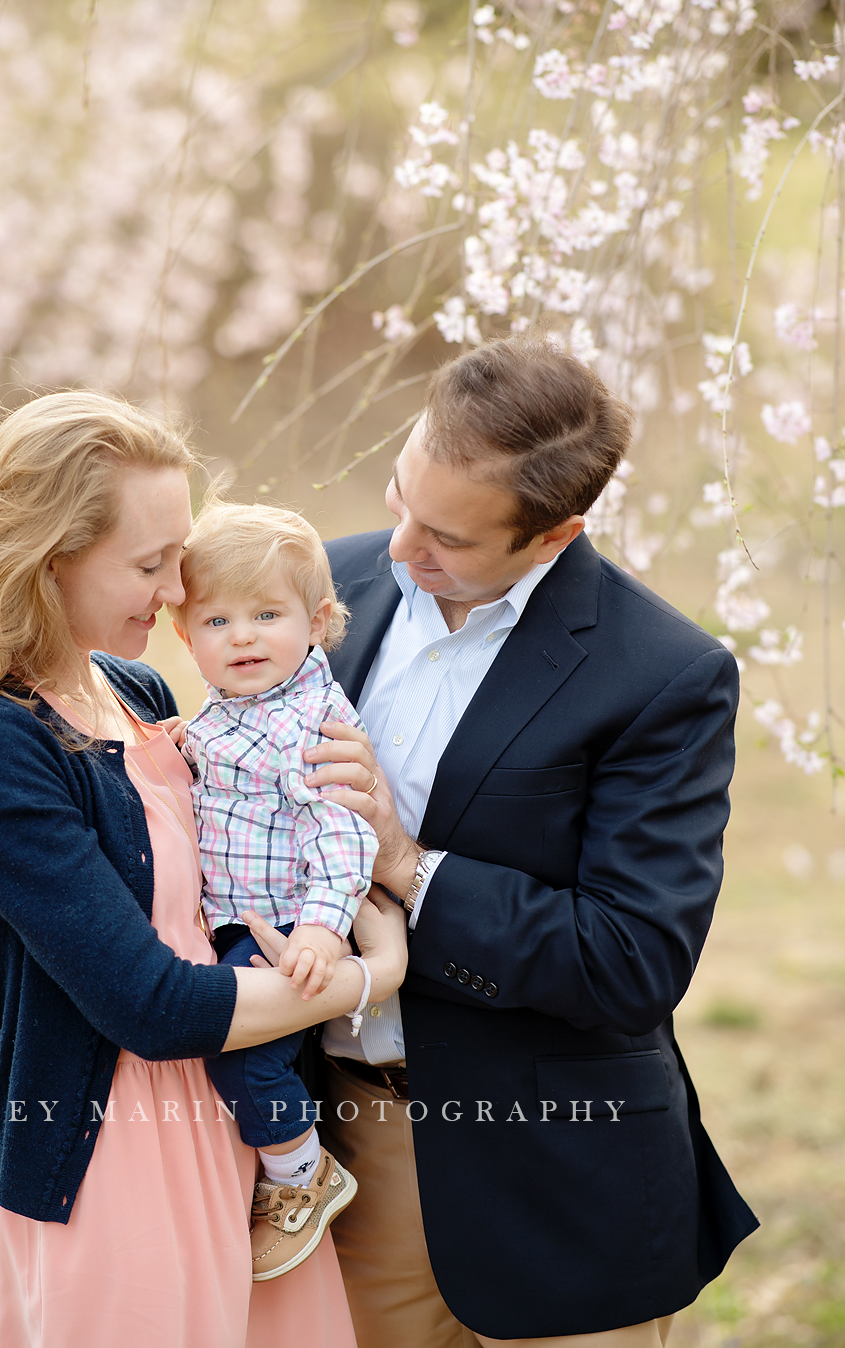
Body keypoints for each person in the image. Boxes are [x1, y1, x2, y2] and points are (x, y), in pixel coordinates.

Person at [0, 392, 406, 1348]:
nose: (175, 594)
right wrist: (371, 976)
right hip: (112, 1164)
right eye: (152, 565)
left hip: (253, 1134)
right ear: (50, 555)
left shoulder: (139, 691)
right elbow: (151, 1007)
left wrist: (352, 824)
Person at [298, 335, 759, 1348]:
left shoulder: (664, 676)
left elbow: (633, 960)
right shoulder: (319, 599)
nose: (401, 548)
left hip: (565, 1184)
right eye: (399, 495)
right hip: (349, 1152)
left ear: (553, 535)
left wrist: (406, 865)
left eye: (448, 539)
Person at [172, 502, 378, 1280]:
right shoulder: (237, 709)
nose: (243, 636)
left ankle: (301, 1176)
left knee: (242, 1059)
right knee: (257, 1061)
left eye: (267, 614)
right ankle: (283, 1157)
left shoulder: (309, 723)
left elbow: (339, 830)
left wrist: (325, 931)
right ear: (186, 636)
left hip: (288, 925)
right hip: (240, 919)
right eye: (217, 620)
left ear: (319, 620)